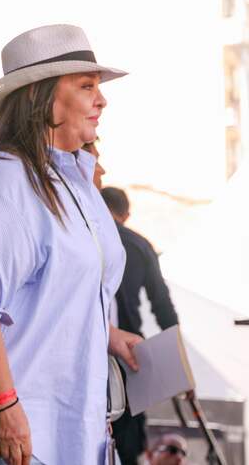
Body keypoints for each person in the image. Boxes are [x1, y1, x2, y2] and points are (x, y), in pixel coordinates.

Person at [0, 24, 144, 465]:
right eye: (86, 87)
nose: (101, 100)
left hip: (62, 431)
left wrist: (107, 334)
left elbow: (50, 295)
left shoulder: (72, 179)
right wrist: (3, 405)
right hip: (15, 435)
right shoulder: (5, 180)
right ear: (40, 96)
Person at [100, 185, 179, 465]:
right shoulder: (139, 245)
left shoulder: (86, 235)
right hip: (132, 356)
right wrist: (179, 365)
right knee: (130, 442)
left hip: (90, 352)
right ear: (126, 214)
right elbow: (162, 306)